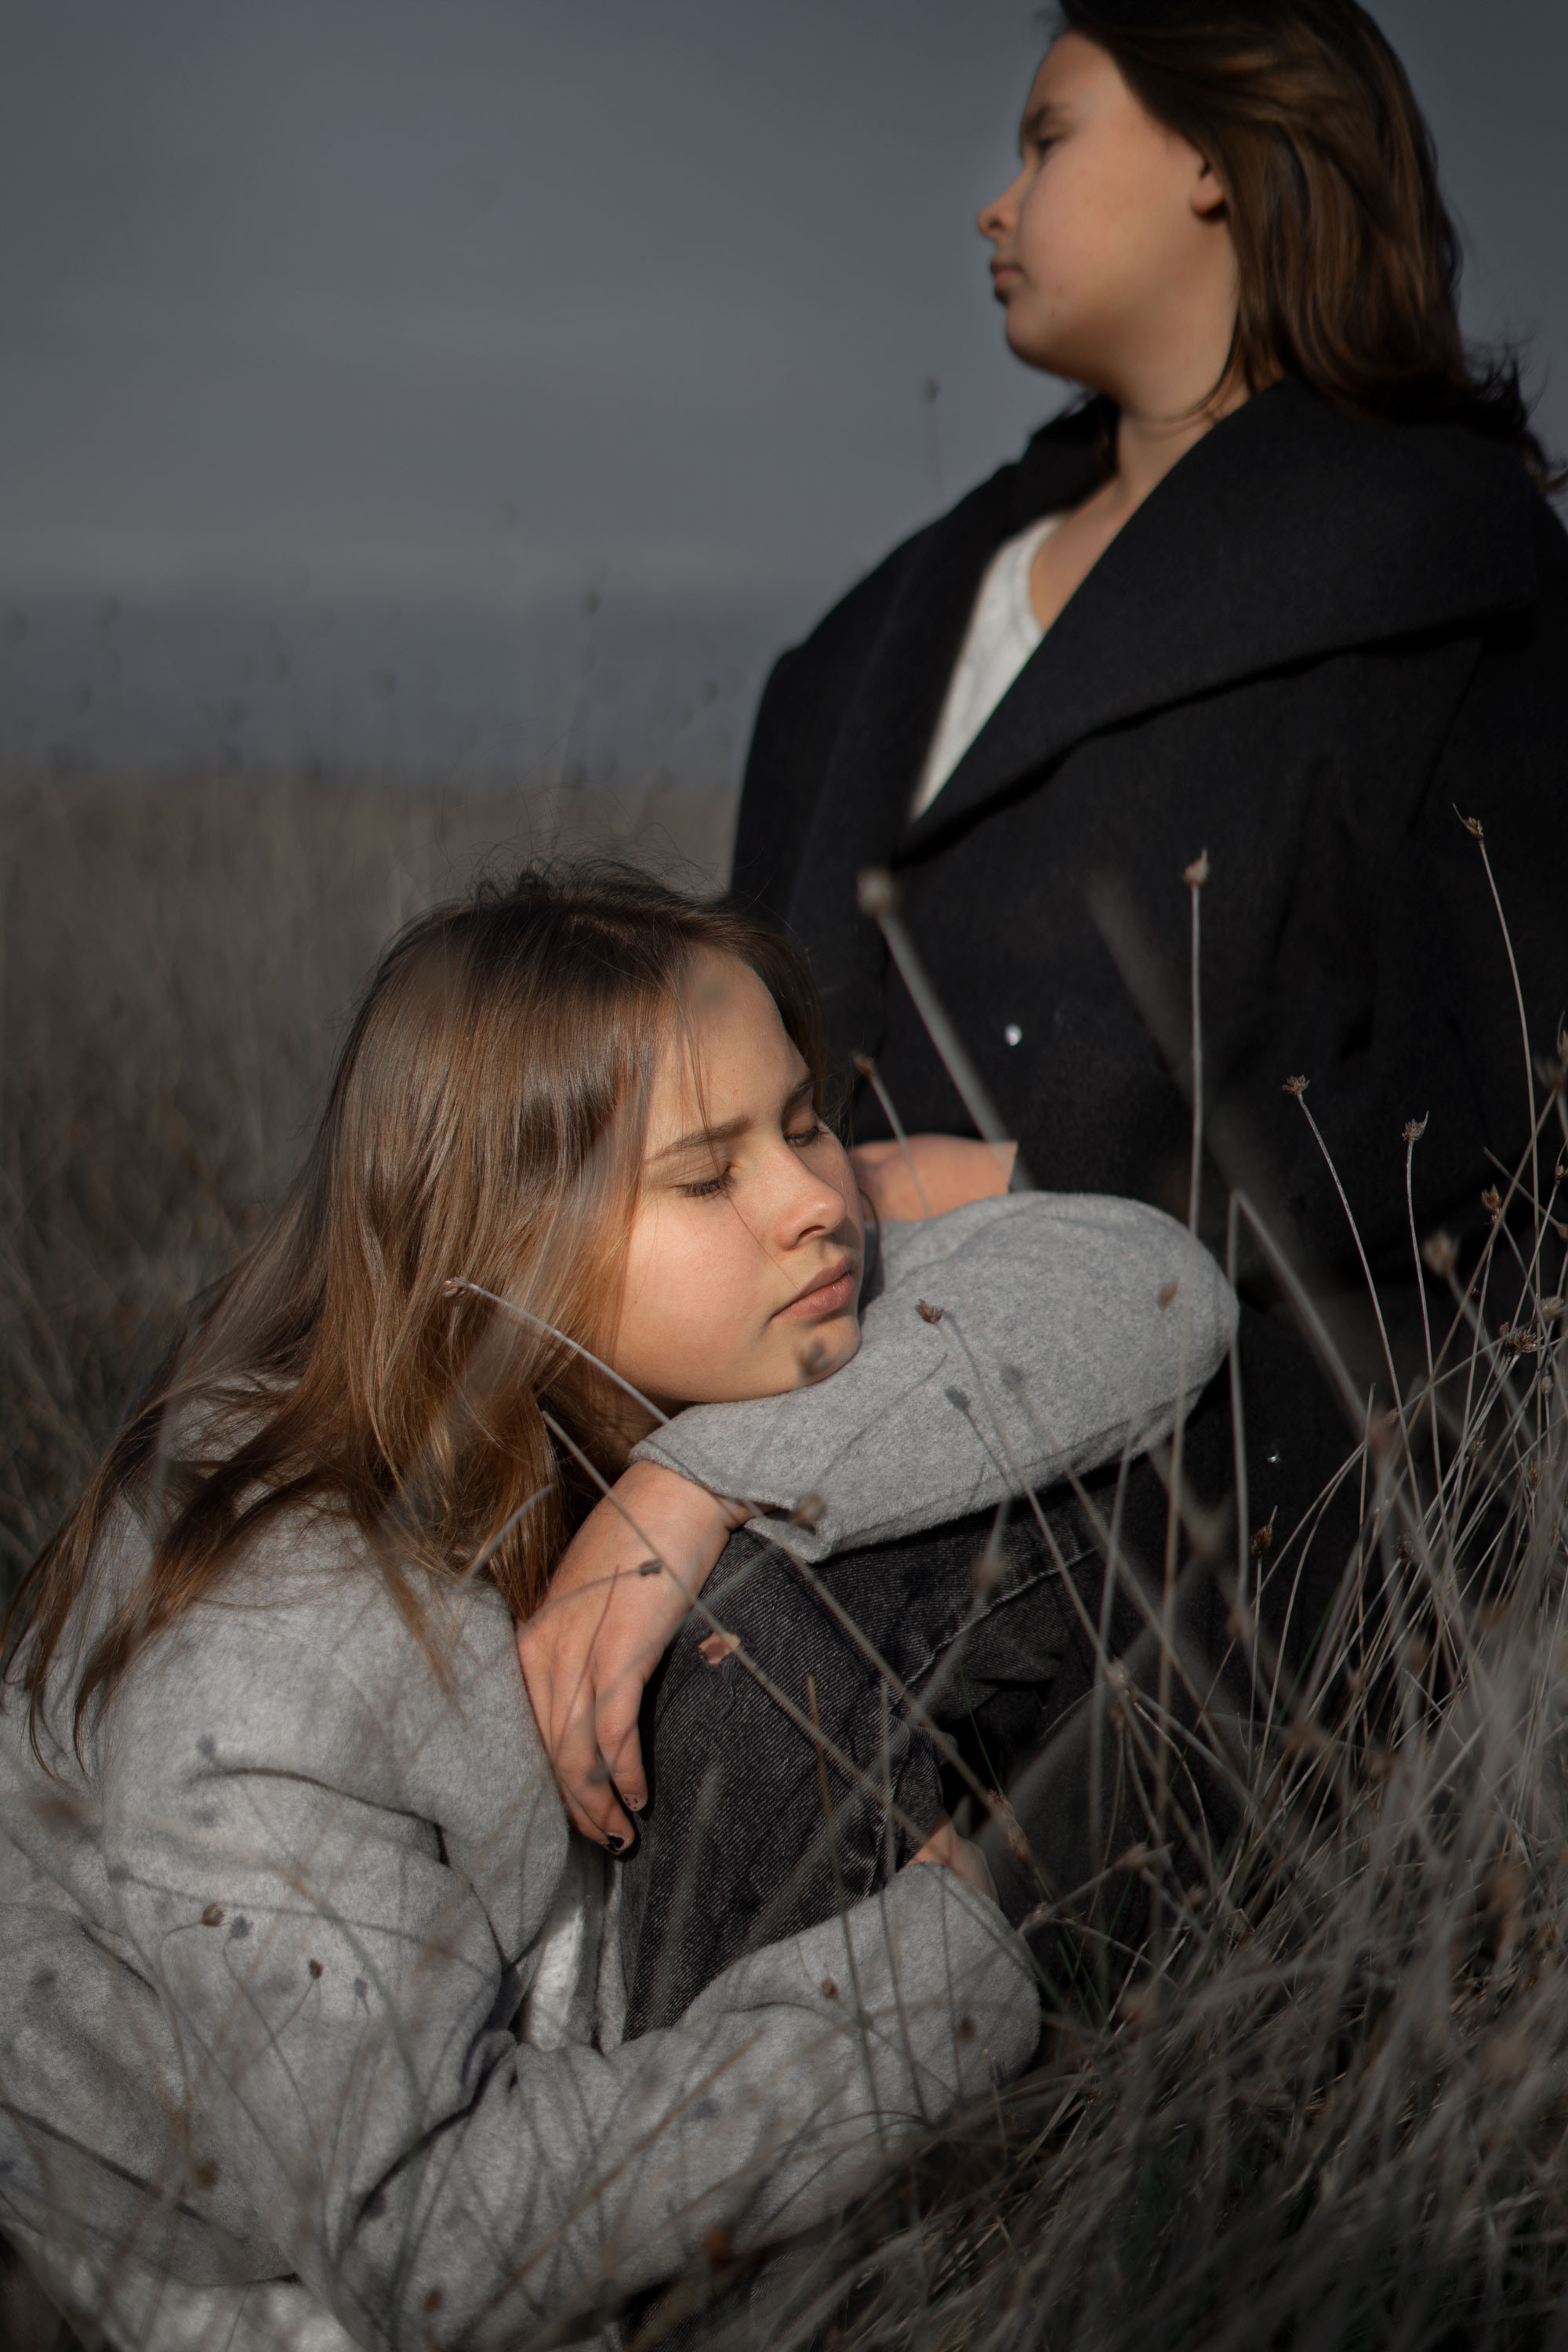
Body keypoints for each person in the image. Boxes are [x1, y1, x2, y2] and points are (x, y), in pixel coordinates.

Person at [0, 862, 1233, 2351]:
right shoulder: (282, 1651)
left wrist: (694, 1483)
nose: (813, 1206)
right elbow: (426, 2243)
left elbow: (1156, 1280)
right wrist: (958, 1955)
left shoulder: (676, 1328)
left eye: (806, 1120)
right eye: (709, 1174)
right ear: (501, 1245)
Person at [729, 0, 1568, 1591]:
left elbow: (1507, 1087)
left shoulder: (1447, 566)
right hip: (797, 1366)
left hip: (1222, 1476)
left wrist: (1036, 1175)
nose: (995, 200)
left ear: (1215, 153)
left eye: (1047, 139)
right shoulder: (883, 630)